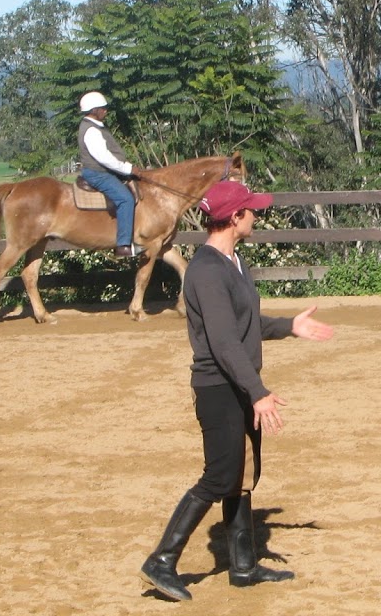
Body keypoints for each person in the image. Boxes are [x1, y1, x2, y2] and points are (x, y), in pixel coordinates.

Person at [140, 179, 334, 602]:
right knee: (220, 476)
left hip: (237, 385)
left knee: (242, 478)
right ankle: (161, 560)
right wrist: (258, 391)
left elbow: (246, 324)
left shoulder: (233, 264)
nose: (256, 215)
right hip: (219, 387)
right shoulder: (208, 272)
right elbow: (225, 343)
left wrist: (290, 327)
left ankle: (243, 566)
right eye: (251, 210)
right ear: (233, 218)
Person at [77, 91, 145, 257]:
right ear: (94, 110)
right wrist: (129, 169)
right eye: (103, 108)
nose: (105, 111)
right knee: (125, 199)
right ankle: (123, 246)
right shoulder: (92, 130)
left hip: (102, 171)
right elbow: (104, 158)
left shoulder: (95, 127)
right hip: (97, 173)